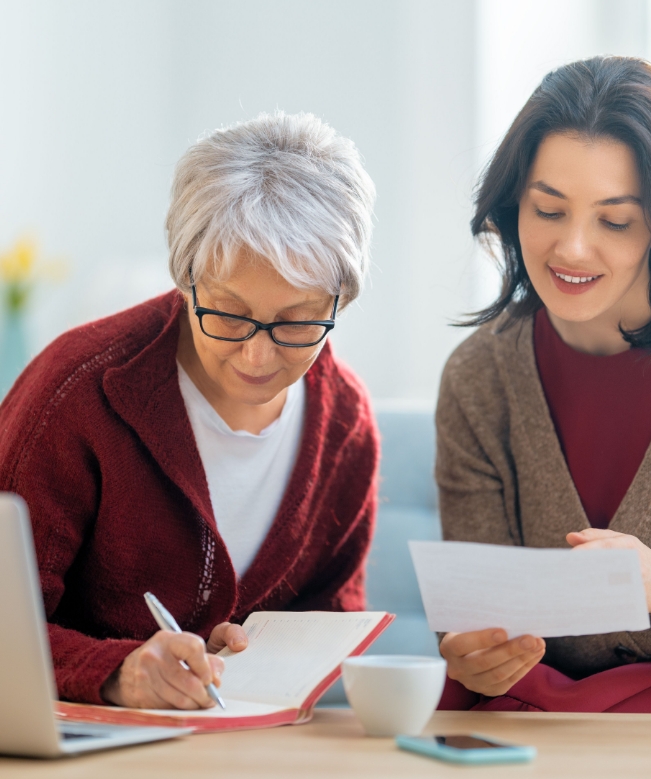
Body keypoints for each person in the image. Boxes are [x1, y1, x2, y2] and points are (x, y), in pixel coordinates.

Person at [435, 56, 651, 714]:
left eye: (613, 220)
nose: (571, 248)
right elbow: (470, 625)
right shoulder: (480, 377)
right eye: (547, 209)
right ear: (512, 208)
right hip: (538, 726)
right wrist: (472, 651)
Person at [0, 112, 378, 710]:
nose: (258, 355)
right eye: (228, 313)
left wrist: (262, 656)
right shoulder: (77, 390)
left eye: (298, 322)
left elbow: (332, 622)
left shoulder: (345, 424)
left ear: (341, 300)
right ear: (186, 280)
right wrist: (117, 671)